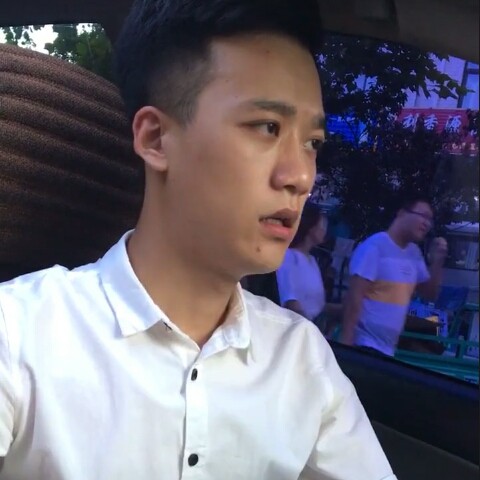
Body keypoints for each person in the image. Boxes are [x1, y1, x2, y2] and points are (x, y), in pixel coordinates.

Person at [0, 1, 397, 479]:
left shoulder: (301, 358)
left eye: (312, 143)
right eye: (267, 127)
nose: (301, 176)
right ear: (155, 139)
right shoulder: (20, 334)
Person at [340, 198, 448, 357]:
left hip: (388, 349)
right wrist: (346, 346)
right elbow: (354, 297)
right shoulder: (375, 246)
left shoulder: (414, 253)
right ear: (402, 214)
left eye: (430, 220)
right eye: (423, 216)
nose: (426, 223)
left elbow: (430, 294)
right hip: (363, 344)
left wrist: (438, 261)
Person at [276, 202, 342, 325]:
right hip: (297, 328)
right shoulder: (289, 257)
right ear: (311, 227)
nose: (325, 230)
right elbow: (290, 302)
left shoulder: (312, 261)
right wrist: (310, 329)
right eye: (322, 225)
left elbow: (318, 306)